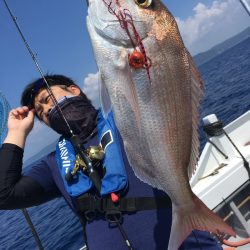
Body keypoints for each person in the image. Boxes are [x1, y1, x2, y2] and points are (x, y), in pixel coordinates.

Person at [0, 74, 222, 250]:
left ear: (74, 90)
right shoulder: (52, 164)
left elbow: (165, 87)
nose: (47, 110)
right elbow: (4, 193)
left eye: (48, 100)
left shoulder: (127, 116)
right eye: (41, 113)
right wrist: (17, 131)